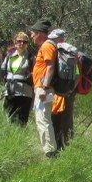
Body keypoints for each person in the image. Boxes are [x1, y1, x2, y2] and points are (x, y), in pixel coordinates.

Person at [29, 18, 58, 156]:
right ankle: (49, 149)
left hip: (44, 88)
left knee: (43, 119)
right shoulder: (47, 45)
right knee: (42, 119)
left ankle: (50, 152)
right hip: (42, 88)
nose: (31, 36)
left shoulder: (47, 46)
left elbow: (50, 66)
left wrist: (45, 87)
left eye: (33, 33)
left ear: (40, 32)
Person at [0, 31, 34, 126]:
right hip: (9, 92)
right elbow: (0, 74)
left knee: (21, 121)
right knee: (7, 119)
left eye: (25, 42)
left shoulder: (31, 58)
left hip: (24, 94)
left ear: (27, 44)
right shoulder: (9, 57)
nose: (22, 43)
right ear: (15, 42)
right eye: (19, 41)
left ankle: (20, 139)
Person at [48, 28, 76, 151]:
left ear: (59, 39)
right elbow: (78, 74)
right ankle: (68, 145)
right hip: (67, 90)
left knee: (55, 119)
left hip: (56, 91)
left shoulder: (56, 52)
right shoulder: (72, 54)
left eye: (54, 39)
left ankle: (58, 147)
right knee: (66, 119)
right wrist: (71, 89)